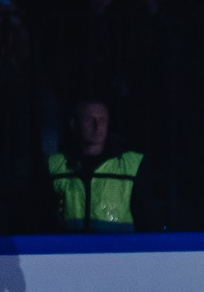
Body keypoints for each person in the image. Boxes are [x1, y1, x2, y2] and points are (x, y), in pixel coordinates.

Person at [47, 97, 145, 233]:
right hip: (71, 251)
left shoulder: (131, 165)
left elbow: (147, 220)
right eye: (89, 119)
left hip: (118, 252)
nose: (97, 126)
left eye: (102, 120)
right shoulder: (54, 165)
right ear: (73, 124)